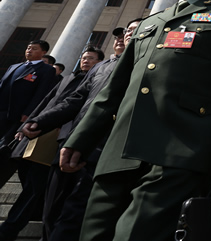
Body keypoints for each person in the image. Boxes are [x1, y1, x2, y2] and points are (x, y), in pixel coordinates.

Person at [59, 0, 211, 241]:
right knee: (93, 232)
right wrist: (80, 139)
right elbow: (113, 90)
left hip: (178, 147)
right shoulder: (150, 23)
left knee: (136, 233)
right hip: (119, 151)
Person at [28, 22, 139, 241]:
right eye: (125, 32)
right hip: (72, 143)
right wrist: (40, 121)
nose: (124, 35)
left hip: (105, 148)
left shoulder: (143, 65)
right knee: (51, 209)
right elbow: (75, 99)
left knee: (76, 214)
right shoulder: (101, 67)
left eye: (134, 31)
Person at [0, 46, 102, 241]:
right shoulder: (67, 78)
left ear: (99, 63)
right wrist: (30, 122)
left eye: (91, 58)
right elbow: (46, 101)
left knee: (36, 184)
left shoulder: (98, 80)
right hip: (40, 131)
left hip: (62, 137)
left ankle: (10, 228)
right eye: (84, 57)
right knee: (28, 177)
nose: (85, 61)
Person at [0, 40, 57, 143]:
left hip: (17, 114)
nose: (29, 51)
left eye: (34, 49)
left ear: (43, 52)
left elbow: (41, 93)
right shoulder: (14, 66)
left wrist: (28, 113)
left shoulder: (46, 70)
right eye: (28, 48)